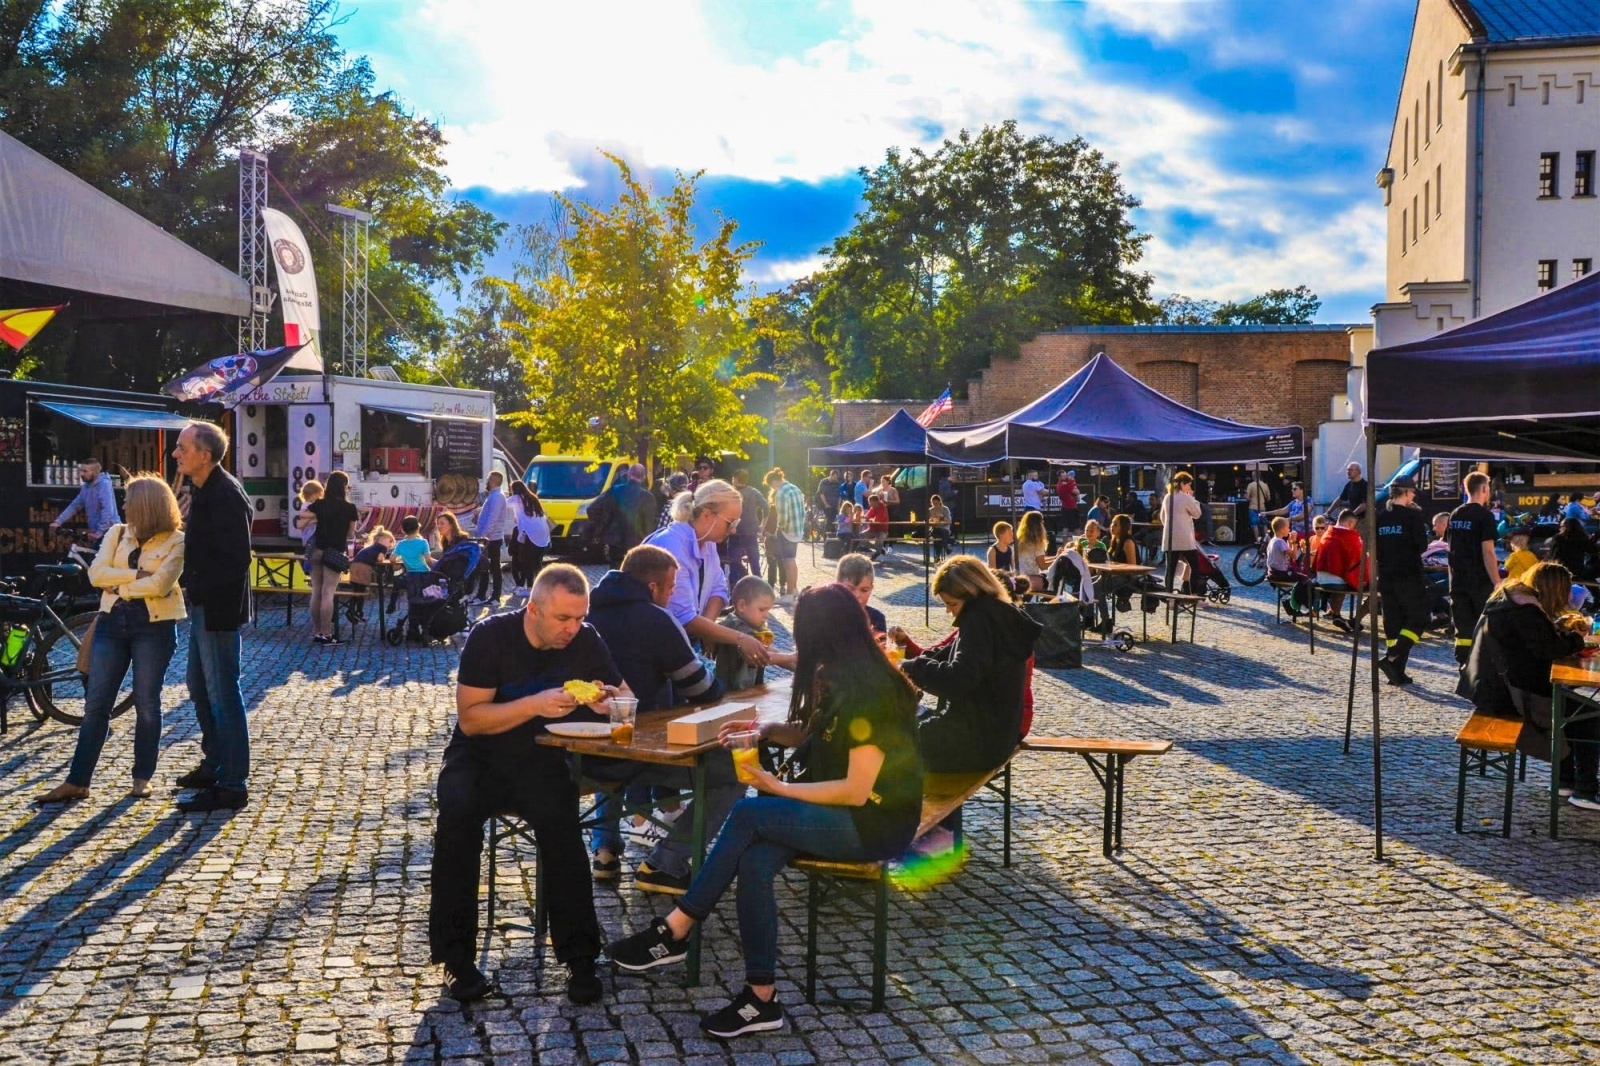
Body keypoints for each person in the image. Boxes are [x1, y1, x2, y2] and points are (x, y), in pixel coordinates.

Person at [608, 584, 923, 1039]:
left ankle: (676, 929)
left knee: (752, 813)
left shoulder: (872, 691)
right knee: (754, 861)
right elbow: (814, 732)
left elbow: (856, 791)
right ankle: (761, 998)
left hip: (873, 823)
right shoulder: (846, 674)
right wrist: (764, 731)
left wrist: (778, 786)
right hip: (849, 814)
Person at [429, 564, 619, 1004]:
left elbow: (623, 696)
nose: (573, 629)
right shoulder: (491, 637)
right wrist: (534, 704)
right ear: (533, 609)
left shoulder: (586, 638)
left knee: (564, 829)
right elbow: (472, 719)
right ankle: (456, 960)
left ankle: (580, 957)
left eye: (579, 617)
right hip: (478, 756)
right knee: (457, 818)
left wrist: (609, 702)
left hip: (540, 759)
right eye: (563, 619)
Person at [583, 545, 732, 888]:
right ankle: (670, 857)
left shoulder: (586, 612)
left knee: (608, 742)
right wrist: (720, 685)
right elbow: (699, 687)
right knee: (735, 771)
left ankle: (605, 850)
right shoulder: (654, 618)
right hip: (644, 749)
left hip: (586, 748)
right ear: (652, 587)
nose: (671, 595)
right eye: (670, 588)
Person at [36, 476, 185, 805]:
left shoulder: (176, 541)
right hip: (110, 625)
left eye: (129, 500)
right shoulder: (118, 533)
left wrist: (119, 587)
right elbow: (95, 574)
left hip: (154, 626)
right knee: (96, 706)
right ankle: (77, 781)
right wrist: (135, 578)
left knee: (147, 705)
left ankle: (141, 778)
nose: (123, 506)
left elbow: (161, 585)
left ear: (146, 505)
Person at [1468, 561, 1598, 809]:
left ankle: (1565, 781)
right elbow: (1550, 649)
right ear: (1554, 590)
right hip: (1515, 696)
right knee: (1588, 717)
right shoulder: (1525, 611)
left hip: (1496, 688)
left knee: (1573, 707)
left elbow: (1537, 645)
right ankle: (1585, 790)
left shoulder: (1510, 602)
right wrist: (1575, 639)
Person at [171, 422, 252, 813]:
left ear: (204, 455)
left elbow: (237, 561)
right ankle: (215, 762)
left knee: (223, 695)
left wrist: (197, 586)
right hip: (204, 604)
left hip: (218, 609)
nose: (176, 453)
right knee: (199, 686)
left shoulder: (225, 494)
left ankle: (233, 783)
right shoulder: (203, 490)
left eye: (183, 448)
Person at [903, 556, 1040, 775]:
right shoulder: (996, 614)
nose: (949, 611)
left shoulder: (980, 619)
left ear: (971, 594)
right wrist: (910, 663)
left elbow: (959, 678)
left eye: (952, 604)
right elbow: (946, 653)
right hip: (997, 737)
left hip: (978, 743)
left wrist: (911, 668)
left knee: (889, 744)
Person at [642, 479, 772, 671]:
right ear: (706, 515)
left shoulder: (708, 542)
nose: (734, 529)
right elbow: (684, 618)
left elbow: (719, 590)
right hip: (654, 652)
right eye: (730, 522)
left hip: (681, 645)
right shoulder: (672, 546)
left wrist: (708, 630)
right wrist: (740, 638)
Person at [1374, 477, 1431, 686]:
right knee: (1419, 619)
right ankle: (1392, 657)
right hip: (1409, 576)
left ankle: (1396, 672)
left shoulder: (1380, 517)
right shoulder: (1413, 516)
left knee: (1393, 623)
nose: (1414, 496)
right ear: (1406, 492)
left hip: (1386, 576)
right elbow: (1422, 546)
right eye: (1413, 492)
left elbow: (1376, 549)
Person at [1448, 471, 1501, 673]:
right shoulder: (1484, 516)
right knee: (1482, 623)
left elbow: (1450, 549)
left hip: (1458, 580)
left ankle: (1463, 663)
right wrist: (1497, 581)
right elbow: (1488, 552)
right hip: (1479, 581)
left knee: (1463, 627)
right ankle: (1480, 667)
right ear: (1485, 489)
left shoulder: (1455, 514)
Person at [714, 575, 797, 692]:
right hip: (733, 693)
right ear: (742, 605)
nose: (766, 615)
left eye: (769, 610)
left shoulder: (742, 623)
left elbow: (767, 650)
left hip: (742, 691)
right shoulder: (739, 628)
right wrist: (790, 657)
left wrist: (795, 665)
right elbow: (760, 656)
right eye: (762, 609)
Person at [307, 470, 360, 647]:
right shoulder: (349, 508)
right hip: (335, 552)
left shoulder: (319, 504)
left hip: (317, 550)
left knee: (316, 591)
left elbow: (305, 518)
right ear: (344, 487)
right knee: (328, 593)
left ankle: (316, 632)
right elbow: (351, 532)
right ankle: (326, 634)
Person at [595, 463, 659, 571]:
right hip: (637, 542)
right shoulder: (647, 497)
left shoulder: (613, 491)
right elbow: (650, 524)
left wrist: (603, 527)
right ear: (643, 477)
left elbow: (593, 509)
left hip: (615, 541)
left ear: (628, 474)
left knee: (615, 571)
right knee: (635, 572)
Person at [1315, 507, 1367, 632]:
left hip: (1320, 578)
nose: (1354, 528)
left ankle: (1336, 614)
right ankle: (1354, 621)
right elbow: (1360, 557)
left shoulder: (1327, 533)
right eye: (1354, 525)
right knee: (1371, 588)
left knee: (1341, 577)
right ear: (1349, 523)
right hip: (1335, 581)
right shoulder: (1349, 535)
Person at [50, 458, 119, 543]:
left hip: (110, 533)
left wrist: (100, 532)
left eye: (85, 471)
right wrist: (58, 521)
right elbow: (75, 506)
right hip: (98, 534)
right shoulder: (86, 487)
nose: (81, 474)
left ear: (95, 472)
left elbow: (108, 510)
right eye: (81, 471)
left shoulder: (104, 485)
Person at [763, 467, 805, 597]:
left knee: (788, 562)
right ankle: (794, 589)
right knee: (792, 560)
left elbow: (783, 517)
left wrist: (778, 530)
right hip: (798, 529)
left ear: (774, 481)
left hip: (787, 531)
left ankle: (789, 594)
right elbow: (802, 511)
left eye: (771, 485)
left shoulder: (781, 493)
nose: (772, 488)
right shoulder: (795, 488)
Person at [1160, 472, 1203, 594]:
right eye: (1188, 485)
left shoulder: (1167, 497)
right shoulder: (1185, 498)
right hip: (1184, 538)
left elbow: (1163, 517)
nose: (1189, 488)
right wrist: (1193, 499)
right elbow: (1197, 514)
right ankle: (1193, 595)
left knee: (1170, 569)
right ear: (1182, 484)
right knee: (1195, 566)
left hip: (1170, 537)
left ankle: (1169, 597)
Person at [470, 471, 508, 604]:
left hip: (492, 539)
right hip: (489, 537)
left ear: (493, 481)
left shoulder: (497, 497)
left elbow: (493, 518)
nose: (486, 482)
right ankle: (481, 595)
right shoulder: (494, 496)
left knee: (493, 568)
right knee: (484, 567)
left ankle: (494, 597)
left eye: (488, 479)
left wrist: (483, 536)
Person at [509, 480, 551, 594]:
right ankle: (542, 587)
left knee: (526, 562)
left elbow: (503, 504)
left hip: (531, 533)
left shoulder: (517, 498)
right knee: (537, 562)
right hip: (542, 532)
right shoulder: (533, 498)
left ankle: (530, 588)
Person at [347, 526, 396, 621]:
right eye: (390, 541)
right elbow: (380, 559)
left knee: (357, 590)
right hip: (363, 567)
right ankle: (355, 611)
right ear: (383, 539)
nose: (390, 545)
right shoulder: (382, 547)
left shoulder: (372, 547)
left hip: (355, 566)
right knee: (361, 591)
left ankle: (355, 611)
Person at [836, 552, 887, 633]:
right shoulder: (824, 616)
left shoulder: (877, 618)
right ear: (837, 586)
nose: (857, 595)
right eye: (850, 589)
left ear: (871, 589)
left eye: (864, 590)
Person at [1013, 510, 1053, 593]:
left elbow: (1037, 560)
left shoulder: (1019, 541)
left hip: (1017, 577)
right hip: (1031, 579)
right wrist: (1058, 559)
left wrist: (1056, 557)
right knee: (1054, 580)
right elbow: (1042, 566)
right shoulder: (1037, 543)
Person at [292, 479, 323, 576]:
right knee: (310, 550)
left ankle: (308, 567)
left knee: (311, 549)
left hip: (310, 531)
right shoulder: (307, 505)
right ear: (314, 494)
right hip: (310, 532)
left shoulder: (309, 504)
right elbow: (303, 514)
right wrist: (316, 515)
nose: (320, 497)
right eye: (319, 494)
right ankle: (307, 567)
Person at [862, 493, 890, 559]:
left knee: (878, 542)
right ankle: (879, 549)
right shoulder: (872, 508)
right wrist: (863, 518)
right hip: (871, 530)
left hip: (882, 530)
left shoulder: (883, 508)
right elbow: (867, 517)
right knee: (860, 537)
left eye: (870, 503)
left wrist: (869, 519)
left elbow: (877, 520)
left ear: (876, 502)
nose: (870, 504)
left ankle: (877, 553)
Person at [927, 493, 952, 559]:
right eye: (933, 504)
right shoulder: (931, 510)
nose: (935, 505)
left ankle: (937, 555)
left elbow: (949, 521)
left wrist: (942, 517)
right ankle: (946, 547)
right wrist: (931, 520)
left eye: (936, 503)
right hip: (934, 528)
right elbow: (928, 522)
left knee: (940, 533)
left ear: (940, 502)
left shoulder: (945, 509)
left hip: (944, 528)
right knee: (937, 532)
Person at [1055, 469, 1080, 534]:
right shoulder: (1063, 485)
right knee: (1074, 527)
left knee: (1068, 527)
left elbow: (1076, 494)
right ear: (1059, 477)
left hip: (1070, 507)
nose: (1065, 477)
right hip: (1069, 508)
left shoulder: (1065, 483)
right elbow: (1076, 491)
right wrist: (1072, 480)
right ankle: (1068, 543)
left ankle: (1075, 542)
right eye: (1063, 476)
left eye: (1066, 475)